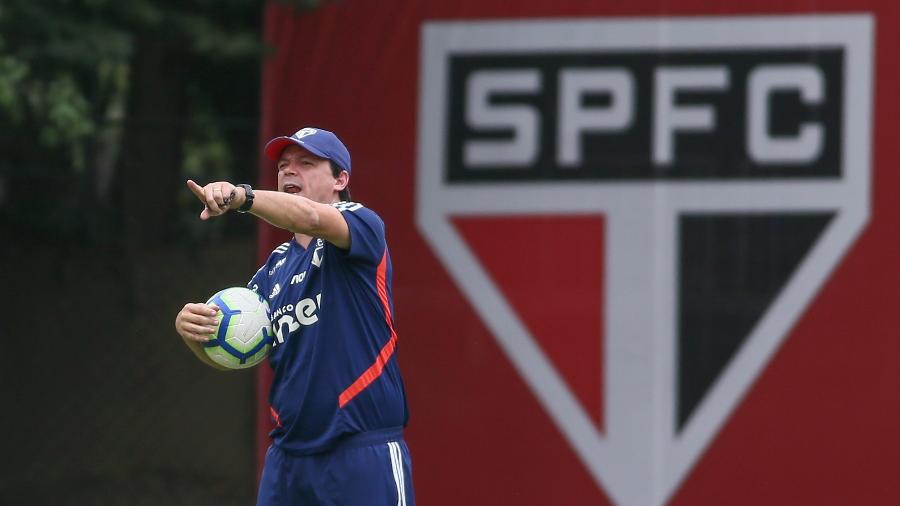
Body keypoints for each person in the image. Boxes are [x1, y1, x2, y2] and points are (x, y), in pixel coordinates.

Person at [174, 127, 413, 505]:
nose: (289, 171)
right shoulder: (274, 270)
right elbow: (235, 355)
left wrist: (242, 196)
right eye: (284, 165)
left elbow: (312, 220)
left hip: (361, 451)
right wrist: (194, 336)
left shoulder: (362, 225)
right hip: (289, 458)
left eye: (306, 163)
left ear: (341, 179)